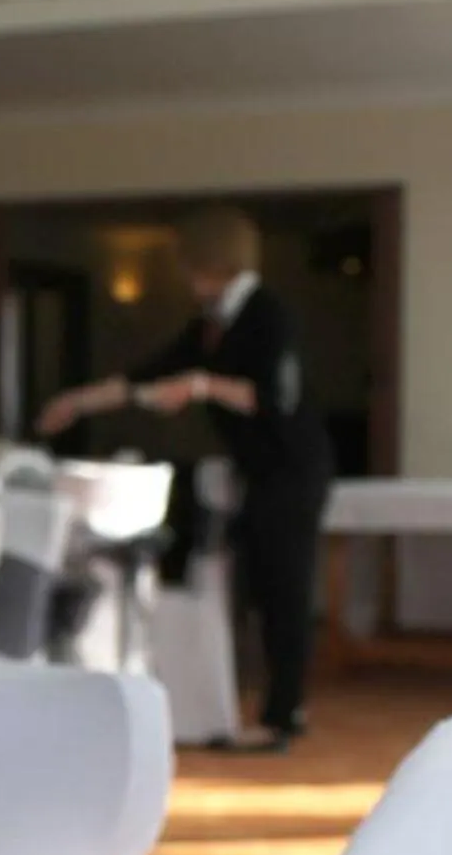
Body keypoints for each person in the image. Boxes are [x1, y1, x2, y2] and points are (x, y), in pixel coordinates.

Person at [36, 207, 334, 752]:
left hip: (294, 471)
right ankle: (265, 704)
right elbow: (147, 375)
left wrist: (200, 386)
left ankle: (283, 717)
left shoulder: (270, 315)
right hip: (258, 474)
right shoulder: (211, 323)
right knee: (255, 589)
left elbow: (273, 399)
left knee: (284, 589)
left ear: (210, 260)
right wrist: (77, 403)